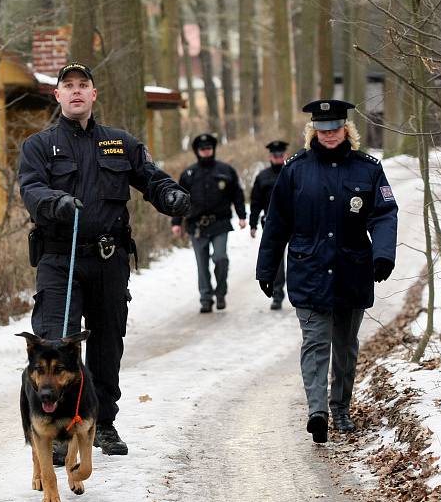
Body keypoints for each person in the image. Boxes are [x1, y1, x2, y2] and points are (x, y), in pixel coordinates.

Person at [19, 62, 190, 462]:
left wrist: (171, 197)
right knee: (55, 344)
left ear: (94, 95)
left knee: (107, 345)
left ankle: (102, 424)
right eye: (69, 86)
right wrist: (55, 202)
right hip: (59, 260)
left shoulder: (120, 143)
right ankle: (56, 432)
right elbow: (31, 190)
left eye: (84, 85)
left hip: (108, 260)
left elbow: (151, 178)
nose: (76, 91)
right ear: (57, 96)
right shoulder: (39, 146)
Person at [255, 99, 398, 443]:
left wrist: (383, 254)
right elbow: (277, 223)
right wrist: (266, 267)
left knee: (345, 346)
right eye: (322, 129)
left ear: (346, 129)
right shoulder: (295, 170)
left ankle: (341, 408)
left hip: (352, 270)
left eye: (335, 129)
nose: (329, 135)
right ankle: (317, 411)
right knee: (315, 343)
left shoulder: (368, 169)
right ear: (312, 132)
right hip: (309, 270)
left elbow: (384, 213)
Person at [170, 133, 247, 313]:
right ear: (197, 151)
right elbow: (179, 200)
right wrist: (176, 222)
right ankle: (206, 298)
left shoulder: (226, 170)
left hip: (220, 223)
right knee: (202, 264)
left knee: (220, 258)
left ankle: (220, 292)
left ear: (213, 149)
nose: (206, 152)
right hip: (196, 225)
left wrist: (242, 215)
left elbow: (237, 194)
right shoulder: (189, 174)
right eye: (202, 149)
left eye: (209, 149)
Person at [249, 140, 289, 310]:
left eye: (280, 155)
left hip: (296, 223)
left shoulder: (292, 172)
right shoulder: (262, 177)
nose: (278, 158)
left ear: (285, 155)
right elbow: (255, 202)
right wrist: (252, 224)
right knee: (277, 261)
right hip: (273, 224)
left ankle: (300, 293)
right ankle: (278, 295)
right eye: (275, 155)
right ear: (270, 156)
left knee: (300, 258)